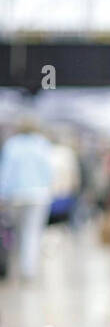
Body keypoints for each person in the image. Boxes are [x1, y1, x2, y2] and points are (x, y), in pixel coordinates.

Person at [0, 118, 55, 280]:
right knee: (32, 232)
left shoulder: (12, 145)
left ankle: (14, 265)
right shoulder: (42, 144)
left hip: (15, 195)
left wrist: (2, 194)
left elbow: (5, 172)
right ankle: (28, 269)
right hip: (38, 195)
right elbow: (49, 171)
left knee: (14, 232)